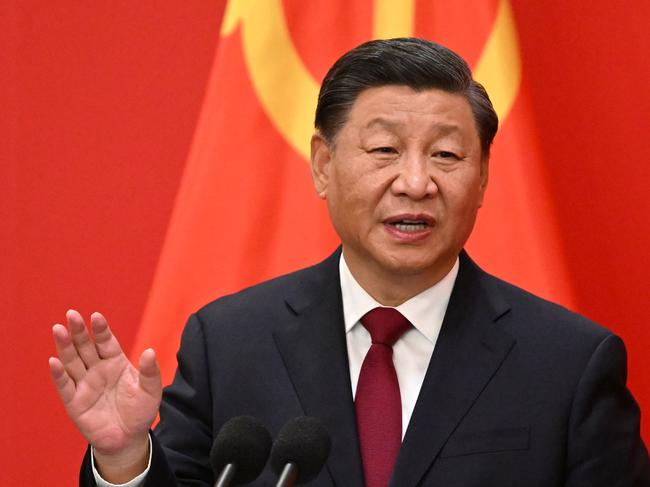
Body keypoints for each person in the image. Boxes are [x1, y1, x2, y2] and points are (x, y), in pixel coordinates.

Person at [49, 38, 650, 486]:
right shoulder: (230, 342)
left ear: (483, 176)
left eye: (445, 154)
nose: (416, 183)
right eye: (385, 149)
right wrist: (125, 459)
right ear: (323, 164)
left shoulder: (569, 363)